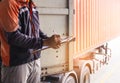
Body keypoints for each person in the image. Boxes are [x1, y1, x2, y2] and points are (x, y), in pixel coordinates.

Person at [0, 0, 61, 83]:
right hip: (17, 63)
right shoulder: (9, 3)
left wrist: (47, 39)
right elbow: (13, 36)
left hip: (34, 59)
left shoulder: (30, 4)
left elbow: (36, 30)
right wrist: (44, 42)